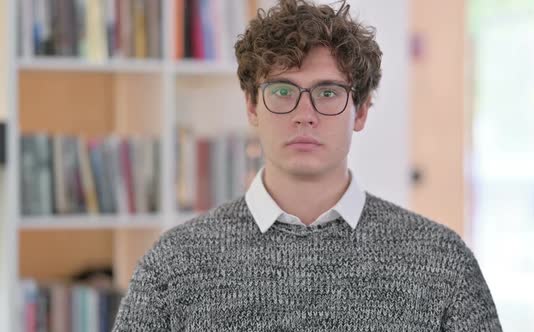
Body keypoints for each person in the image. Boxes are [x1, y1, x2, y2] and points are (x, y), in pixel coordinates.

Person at [113, 0, 503, 330]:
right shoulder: (174, 263)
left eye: (328, 92)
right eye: (282, 91)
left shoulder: (441, 261)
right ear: (252, 106)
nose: (304, 115)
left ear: (361, 111)